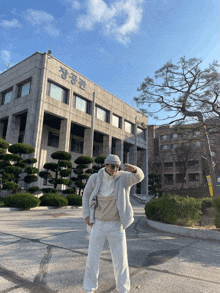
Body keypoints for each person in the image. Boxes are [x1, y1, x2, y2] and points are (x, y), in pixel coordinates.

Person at [82, 154, 144, 293]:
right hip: (98, 223)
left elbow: (139, 177)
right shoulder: (95, 178)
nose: (114, 169)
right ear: (105, 165)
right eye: (112, 166)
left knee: (120, 259)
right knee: (92, 257)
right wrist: (86, 215)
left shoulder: (123, 177)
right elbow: (86, 195)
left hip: (116, 224)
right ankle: (89, 287)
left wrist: (134, 169)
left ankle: (123, 289)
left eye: (117, 166)